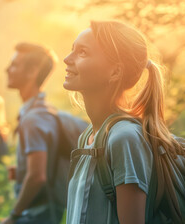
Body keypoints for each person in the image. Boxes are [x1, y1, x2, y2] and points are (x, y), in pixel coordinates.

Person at [63, 20, 170, 223]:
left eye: (82, 52)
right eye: (72, 50)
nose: (67, 59)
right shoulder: (88, 137)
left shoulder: (124, 138)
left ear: (115, 72)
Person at [2, 42, 63, 224]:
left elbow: (37, 176)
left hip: (37, 216)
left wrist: (13, 216)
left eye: (14, 65)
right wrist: (22, 170)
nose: (7, 69)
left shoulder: (34, 118)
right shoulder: (42, 111)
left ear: (32, 71)